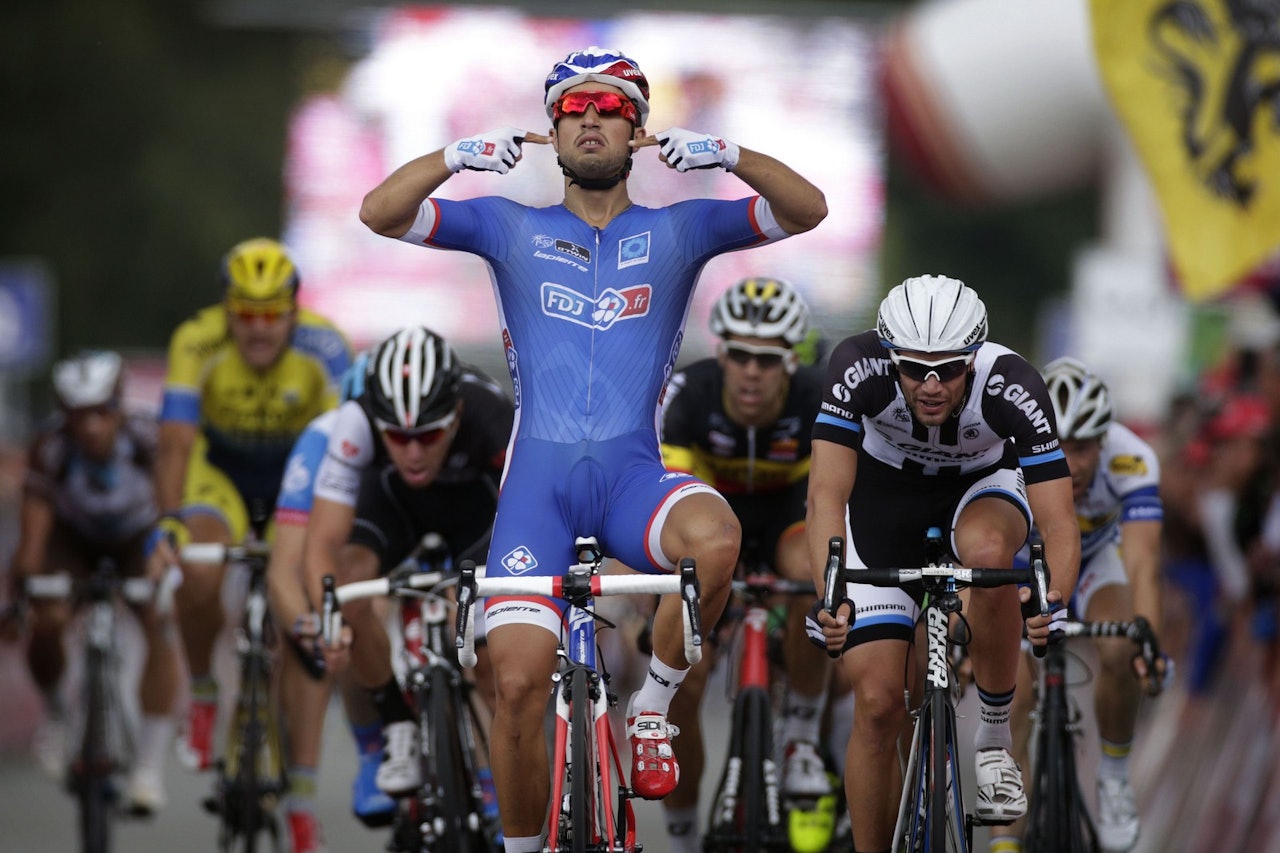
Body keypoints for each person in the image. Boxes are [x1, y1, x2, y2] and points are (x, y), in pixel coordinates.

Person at [358, 45, 827, 853]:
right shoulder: (508, 223)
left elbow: (809, 209)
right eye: (573, 108)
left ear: (639, 132)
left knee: (717, 540)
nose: (590, 119)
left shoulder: (681, 227)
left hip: (631, 480)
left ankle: (652, 708)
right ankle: (520, 845)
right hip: (535, 493)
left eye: (611, 108)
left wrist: (731, 155)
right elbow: (379, 213)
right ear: (551, 129)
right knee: (512, 685)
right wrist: (452, 158)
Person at [806, 275, 1080, 853]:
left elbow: (1058, 522)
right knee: (879, 702)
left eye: (950, 369)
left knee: (989, 554)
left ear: (973, 359)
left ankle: (993, 743)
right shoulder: (856, 366)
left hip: (981, 491)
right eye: (913, 368)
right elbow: (826, 496)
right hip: (884, 503)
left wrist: (1053, 601)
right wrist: (829, 594)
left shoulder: (1012, 383)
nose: (931, 385)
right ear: (889, 357)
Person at [151, 237, 352, 771]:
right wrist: (168, 522)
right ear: (226, 309)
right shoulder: (196, 340)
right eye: (244, 313)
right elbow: (174, 441)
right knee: (197, 569)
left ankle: (302, 799)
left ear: (294, 310)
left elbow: (343, 441)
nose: (258, 328)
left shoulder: (326, 344)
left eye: (272, 314)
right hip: (221, 475)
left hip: (296, 474)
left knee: (301, 620)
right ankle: (201, 690)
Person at [658, 276, 834, 853]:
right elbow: (667, 504)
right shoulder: (689, 395)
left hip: (787, 513)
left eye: (766, 358)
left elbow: (832, 496)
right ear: (720, 353)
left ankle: (802, 739)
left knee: (813, 576)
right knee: (687, 678)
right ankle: (682, 837)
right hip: (712, 517)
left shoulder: (817, 398)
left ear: (790, 360)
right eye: (738, 355)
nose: (751, 371)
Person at [303, 326, 513, 801]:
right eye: (397, 436)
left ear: (456, 415)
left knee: (486, 648)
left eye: (429, 434)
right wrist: (330, 618)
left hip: (475, 518)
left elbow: (528, 514)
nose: (413, 452)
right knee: (350, 587)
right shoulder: (356, 419)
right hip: (393, 510)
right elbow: (322, 542)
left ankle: (498, 778)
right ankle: (396, 723)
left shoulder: (489, 411)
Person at [993, 357, 1168, 853]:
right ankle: (1005, 842)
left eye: (1083, 447)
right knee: (1015, 696)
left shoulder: (1132, 460)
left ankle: (1113, 777)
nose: (1071, 462)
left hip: (1096, 564)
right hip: (1022, 565)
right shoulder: (1003, 455)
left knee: (1119, 649)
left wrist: (1147, 640)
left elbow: (1142, 563)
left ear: (1104, 440)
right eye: (1058, 445)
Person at [4, 351, 181, 814]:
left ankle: (147, 764)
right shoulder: (50, 446)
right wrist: (24, 588)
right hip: (74, 540)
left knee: (159, 626)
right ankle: (60, 716)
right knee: (49, 618)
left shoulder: (145, 436)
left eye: (102, 412)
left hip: (137, 538)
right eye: (79, 415)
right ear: (64, 414)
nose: (92, 427)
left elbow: (169, 508)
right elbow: (34, 531)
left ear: (119, 405)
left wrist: (167, 554)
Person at [265, 347, 399, 853]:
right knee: (329, 628)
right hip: (349, 551)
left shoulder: (417, 438)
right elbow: (286, 567)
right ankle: (309, 800)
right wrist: (311, 627)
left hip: (410, 537)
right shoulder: (322, 439)